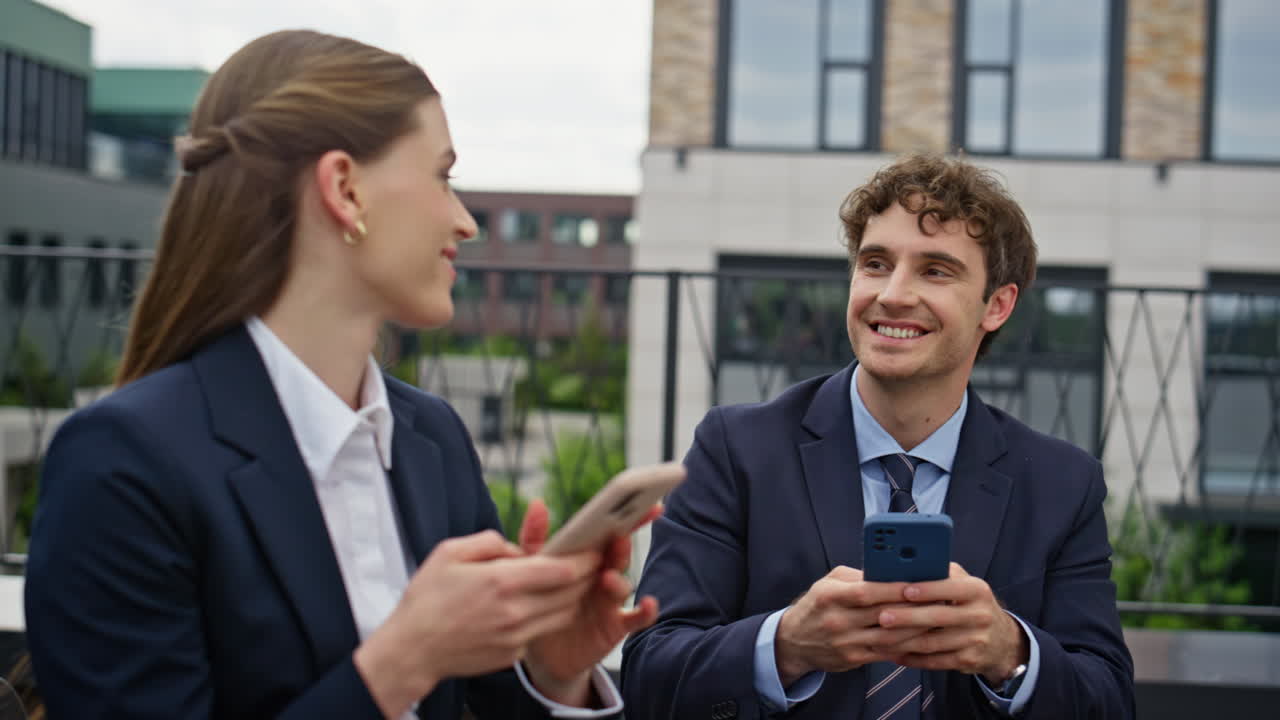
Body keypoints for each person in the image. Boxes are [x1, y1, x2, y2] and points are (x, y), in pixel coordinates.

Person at [24, 30, 658, 720]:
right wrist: (404, 658)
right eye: (443, 175)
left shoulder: (434, 441)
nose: (465, 221)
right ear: (345, 190)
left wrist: (553, 674)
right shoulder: (124, 464)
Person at [621, 153, 1135, 719]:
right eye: (875, 263)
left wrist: (1008, 652)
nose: (892, 293)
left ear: (998, 305)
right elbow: (649, 674)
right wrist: (786, 646)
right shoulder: (737, 449)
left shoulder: (1062, 484)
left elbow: (1109, 700)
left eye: (935, 270)